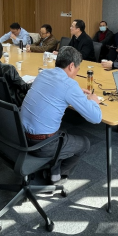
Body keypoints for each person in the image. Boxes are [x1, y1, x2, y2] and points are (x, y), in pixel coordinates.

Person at [21, 46, 101, 184]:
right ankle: (58, 177)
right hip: (41, 145)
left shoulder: (43, 74)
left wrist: (76, 93)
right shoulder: (69, 85)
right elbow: (96, 118)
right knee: (84, 143)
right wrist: (94, 101)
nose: (76, 73)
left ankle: (55, 171)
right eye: (77, 69)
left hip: (19, 135)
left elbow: (53, 91)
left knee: (62, 132)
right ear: (71, 66)